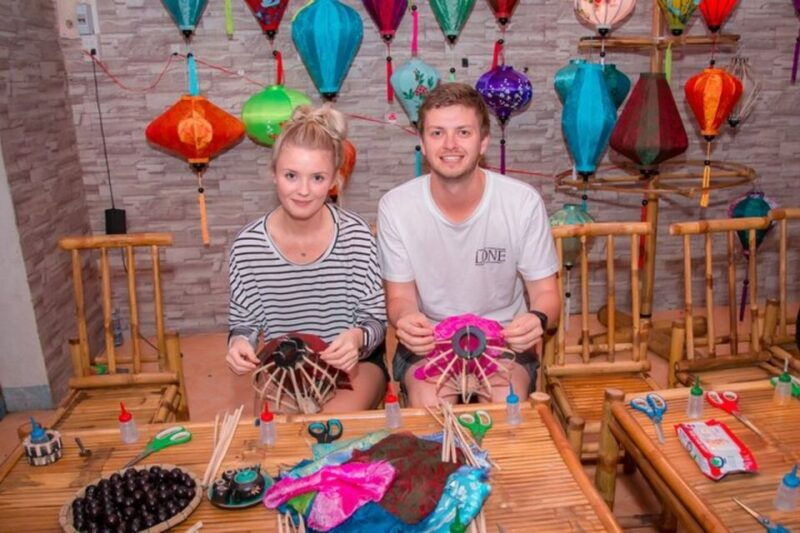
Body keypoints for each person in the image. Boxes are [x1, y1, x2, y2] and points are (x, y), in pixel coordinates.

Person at [377, 82, 560, 407]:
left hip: (505, 342)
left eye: (463, 132)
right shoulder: (396, 206)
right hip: (431, 343)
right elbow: (399, 298)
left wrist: (537, 319)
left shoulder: (521, 202)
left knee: (505, 405)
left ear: (483, 141)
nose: (450, 144)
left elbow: (547, 294)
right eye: (437, 133)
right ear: (421, 141)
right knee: (431, 409)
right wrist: (406, 319)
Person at [226, 105, 388, 413]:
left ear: (334, 182)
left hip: (354, 367)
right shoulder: (248, 245)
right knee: (283, 438)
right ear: (273, 174)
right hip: (287, 367)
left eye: (317, 178)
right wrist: (238, 345)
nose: (303, 190)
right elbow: (243, 322)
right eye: (291, 175)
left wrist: (356, 339)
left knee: (328, 428)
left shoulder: (355, 235)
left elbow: (375, 321)